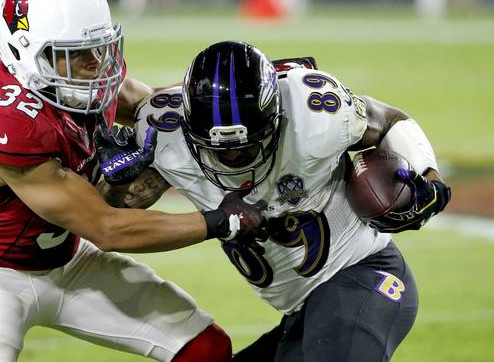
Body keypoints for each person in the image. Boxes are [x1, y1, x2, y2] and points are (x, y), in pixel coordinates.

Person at [0, 0, 267, 361]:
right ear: (23, 52)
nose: (94, 63)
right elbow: (106, 228)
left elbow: (156, 108)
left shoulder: (74, 80)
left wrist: (232, 99)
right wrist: (219, 222)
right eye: (74, 53)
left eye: (99, 46)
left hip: (68, 258)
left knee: (205, 348)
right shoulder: (7, 121)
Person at [126, 41, 451, 361]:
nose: (234, 156)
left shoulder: (314, 112)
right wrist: (113, 180)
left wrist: (430, 180)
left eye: (246, 145)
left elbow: (391, 121)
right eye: (219, 149)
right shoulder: (163, 137)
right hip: (305, 308)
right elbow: (106, 220)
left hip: (361, 275)